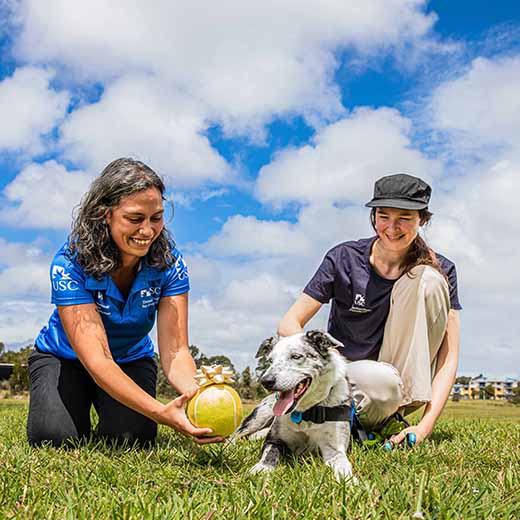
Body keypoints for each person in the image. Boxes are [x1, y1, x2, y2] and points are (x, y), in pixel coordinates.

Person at [27, 158, 222, 447]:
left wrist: (200, 397)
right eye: (134, 219)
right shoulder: (69, 263)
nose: (147, 231)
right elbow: (98, 360)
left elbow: (176, 351)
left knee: (132, 440)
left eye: (156, 218)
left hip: (130, 358)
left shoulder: (171, 263)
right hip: (65, 360)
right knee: (54, 438)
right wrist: (160, 412)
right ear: (105, 214)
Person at [278, 173, 461, 446]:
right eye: (384, 215)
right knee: (376, 378)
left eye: (405, 218)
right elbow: (289, 323)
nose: (392, 227)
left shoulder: (443, 270)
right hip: (346, 378)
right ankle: (338, 413)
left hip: (397, 386)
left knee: (429, 279)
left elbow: (449, 358)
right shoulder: (344, 258)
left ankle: (384, 416)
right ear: (373, 215)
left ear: (422, 219)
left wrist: (423, 427)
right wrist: (325, 366)